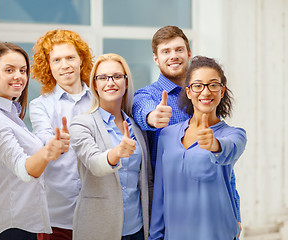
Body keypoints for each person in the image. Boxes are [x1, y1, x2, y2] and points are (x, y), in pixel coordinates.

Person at [132, 26, 242, 230]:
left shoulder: (204, 95)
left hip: (210, 203)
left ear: (188, 54)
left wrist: (235, 210)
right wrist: (153, 117)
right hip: (169, 203)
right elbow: (142, 109)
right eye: (166, 51)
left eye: (179, 50)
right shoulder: (147, 96)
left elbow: (225, 166)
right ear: (156, 59)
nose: (173, 56)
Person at [0, 42, 68, 240]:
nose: (18, 76)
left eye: (23, 70)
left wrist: (53, 147)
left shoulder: (10, 114)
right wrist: (47, 152)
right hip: (9, 228)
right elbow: (23, 169)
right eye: (9, 70)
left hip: (23, 224)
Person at [149, 56, 247, 240]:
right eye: (198, 85)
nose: (206, 91)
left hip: (217, 233)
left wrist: (215, 145)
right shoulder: (167, 135)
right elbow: (160, 191)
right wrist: (155, 236)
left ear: (222, 91)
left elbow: (230, 149)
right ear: (188, 91)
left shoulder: (233, 135)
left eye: (213, 85)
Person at [70, 53, 153, 240]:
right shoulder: (82, 123)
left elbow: (145, 179)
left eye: (117, 76)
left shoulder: (136, 125)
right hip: (98, 229)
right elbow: (94, 164)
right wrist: (116, 153)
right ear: (95, 85)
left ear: (125, 81)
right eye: (103, 77)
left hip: (137, 228)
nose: (110, 82)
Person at [29, 29, 94, 240]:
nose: (64, 65)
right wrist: (54, 144)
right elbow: (43, 136)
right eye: (56, 60)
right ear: (48, 66)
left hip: (95, 212)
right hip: (55, 216)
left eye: (70, 57)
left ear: (81, 60)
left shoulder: (98, 99)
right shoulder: (40, 105)